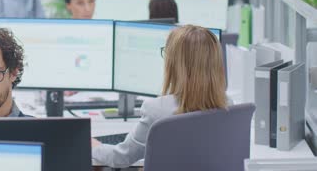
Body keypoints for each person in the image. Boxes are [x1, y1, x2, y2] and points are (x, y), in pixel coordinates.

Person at [91, 25, 228, 168]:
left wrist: (93, 145)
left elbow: (120, 158)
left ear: (175, 63)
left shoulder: (157, 110)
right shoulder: (227, 105)